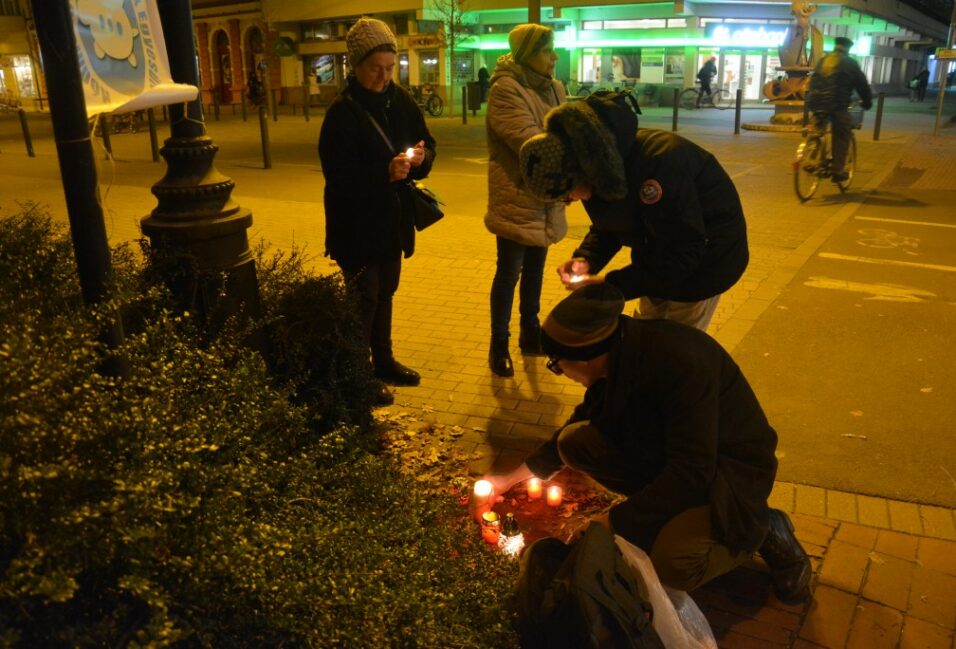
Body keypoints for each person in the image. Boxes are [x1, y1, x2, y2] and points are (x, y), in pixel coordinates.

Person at [483, 284, 812, 603]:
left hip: (729, 474)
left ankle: (762, 527)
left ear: (584, 357)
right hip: (674, 457)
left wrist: (614, 521)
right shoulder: (618, 354)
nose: (558, 372)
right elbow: (584, 420)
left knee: (675, 564)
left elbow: (692, 472)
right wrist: (509, 480)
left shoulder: (679, 364)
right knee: (574, 442)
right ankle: (669, 515)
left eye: (557, 364)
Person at [518, 91, 748, 332]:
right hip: (660, 259)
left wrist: (611, 285)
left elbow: (683, 254)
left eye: (566, 194)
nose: (567, 202)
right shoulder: (597, 171)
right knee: (647, 334)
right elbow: (609, 225)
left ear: (580, 172)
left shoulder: (659, 165)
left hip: (707, 262)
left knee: (678, 346)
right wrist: (586, 259)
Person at [318, 17, 437, 404]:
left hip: (391, 219)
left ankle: (382, 360)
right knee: (364, 297)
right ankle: (356, 375)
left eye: (390, 68)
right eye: (376, 69)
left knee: (386, 289)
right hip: (356, 224)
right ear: (356, 66)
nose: (384, 77)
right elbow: (339, 178)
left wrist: (422, 156)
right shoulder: (342, 112)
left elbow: (427, 141)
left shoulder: (399, 99)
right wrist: (383, 172)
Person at [484, 24, 567, 376]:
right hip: (517, 195)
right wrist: (573, 153)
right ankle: (498, 344)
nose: (554, 57)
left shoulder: (555, 88)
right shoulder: (506, 89)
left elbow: (571, 131)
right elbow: (530, 141)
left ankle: (529, 334)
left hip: (546, 196)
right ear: (528, 54)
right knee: (509, 272)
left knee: (535, 270)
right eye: (547, 51)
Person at [806, 36, 873, 183]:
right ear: (848, 48)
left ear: (835, 46)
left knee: (817, 128)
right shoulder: (850, 63)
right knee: (842, 134)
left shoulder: (822, 60)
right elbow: (862, 85)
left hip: (816, 103)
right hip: (837, 105)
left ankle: (811, 157)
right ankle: (837, 170)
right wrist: (867, 102)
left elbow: (813, 81)